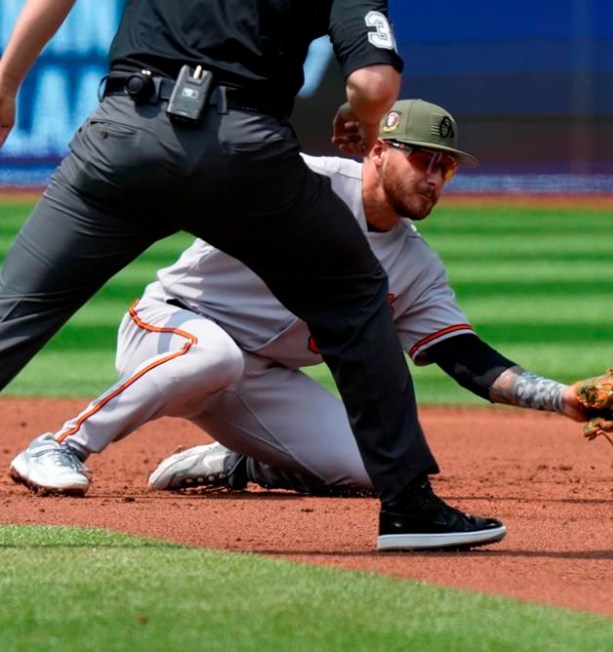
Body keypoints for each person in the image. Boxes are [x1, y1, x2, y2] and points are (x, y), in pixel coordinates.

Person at [0, 1, 502, 551]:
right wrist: (363, 116)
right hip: (241, 151)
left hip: (124, 132)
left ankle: (242, 460)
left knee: (14, 308)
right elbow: (373, 85)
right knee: (357, 293)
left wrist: (6, 81)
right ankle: (409, 508)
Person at [8, 99, 605, 550]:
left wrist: (563, 398)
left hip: (257, 378)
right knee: (214, 355)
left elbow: (464, 356)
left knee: (379, 467)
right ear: (378, 151)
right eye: (422, 159)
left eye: (445, 169)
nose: (432, 178)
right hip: (171, 326)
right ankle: (61, 445)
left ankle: (240, 461)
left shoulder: (417, 265)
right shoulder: (298, 182)